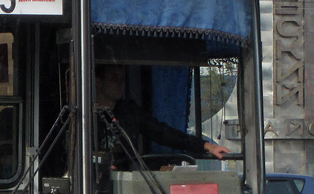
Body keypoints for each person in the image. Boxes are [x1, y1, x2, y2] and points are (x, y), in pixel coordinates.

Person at [95, 64, 230, 163]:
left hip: (126, 183)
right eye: (114, 78)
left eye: (122, 79)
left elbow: (163, 133)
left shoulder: (129, 111)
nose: (120, 84)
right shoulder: (85, 115)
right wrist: (100, 164)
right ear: (98, 83)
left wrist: (207, 146)